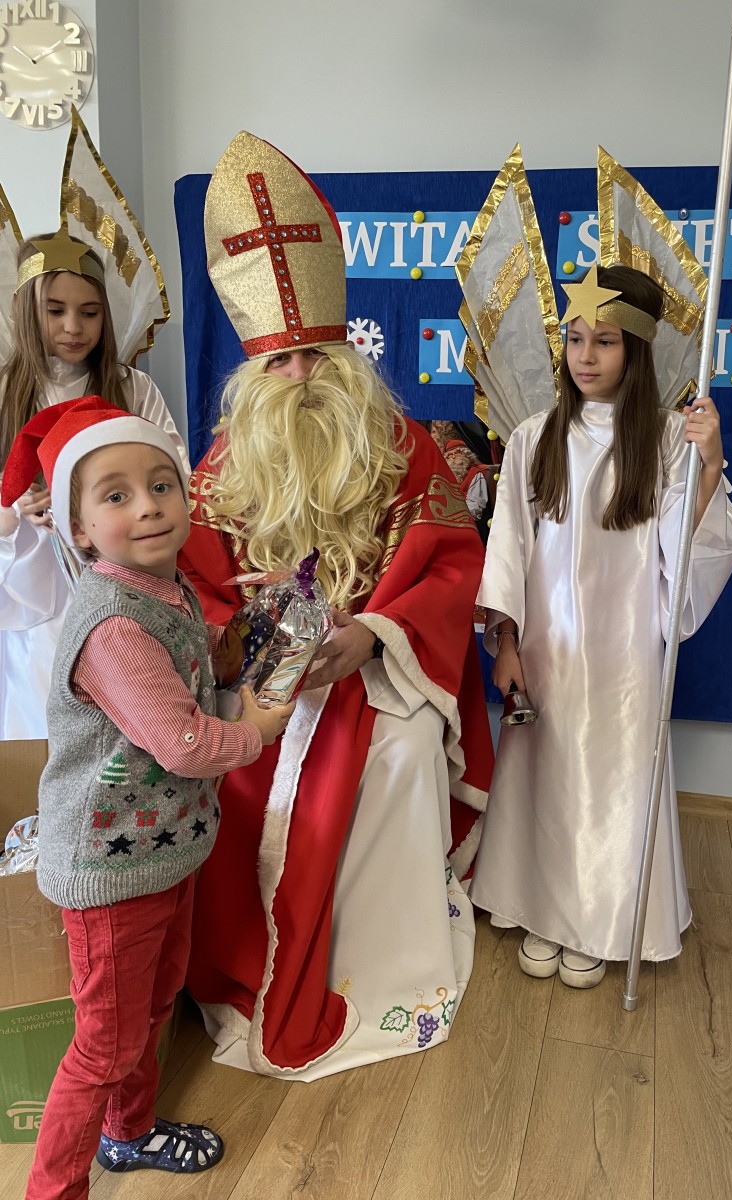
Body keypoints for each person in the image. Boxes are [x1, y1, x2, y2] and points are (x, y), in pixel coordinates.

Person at [179, 131, 492, 1081]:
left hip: (378, 669)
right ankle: (243, 967)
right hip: (264, 680)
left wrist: (372, 635)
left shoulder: (401, 443)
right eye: (281, 362)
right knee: (239, 771)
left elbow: (451, 564)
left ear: (344, 351)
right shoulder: (222, 466)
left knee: (399, 758)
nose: (303, 378)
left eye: (316, 354)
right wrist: (247, 647)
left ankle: (379, 963)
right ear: (252, 371)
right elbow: (196, 587)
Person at [1, 395, 293, 1200]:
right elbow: (184, 742)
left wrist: (246, 638)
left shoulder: (164, 589)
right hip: (109, 870)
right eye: (116, 494)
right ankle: (53, 1190)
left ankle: (128, 1135)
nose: (149, 506)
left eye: (162, 485)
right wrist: (256, 729)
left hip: (160, 848)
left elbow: (188, 667)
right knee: (102, 1045)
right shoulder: (113, 624)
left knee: (155, 1005)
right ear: (79, 527)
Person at [469, 264, 732, 987]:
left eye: (606, 341)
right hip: (548, 647)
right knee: (546, 777)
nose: (585, 356)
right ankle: (541, 906)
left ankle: (600, 920)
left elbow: (685, 550)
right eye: (574, 338)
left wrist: (709, 463)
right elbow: (509, 547)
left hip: (623, 650)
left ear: (638, 349)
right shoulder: (534, 437)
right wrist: (506, 641)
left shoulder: (666, 441)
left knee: (614, 781)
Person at [0, 231, 187, 739]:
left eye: (89, 312)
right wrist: (15, 509)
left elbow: (175, 472)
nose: (73, 327)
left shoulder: (131, 388)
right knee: (45, 718)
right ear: (22, 307)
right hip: (33, 588)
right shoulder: (6, 392)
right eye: (55, 311)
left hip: (121, 578)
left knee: (133, 717)